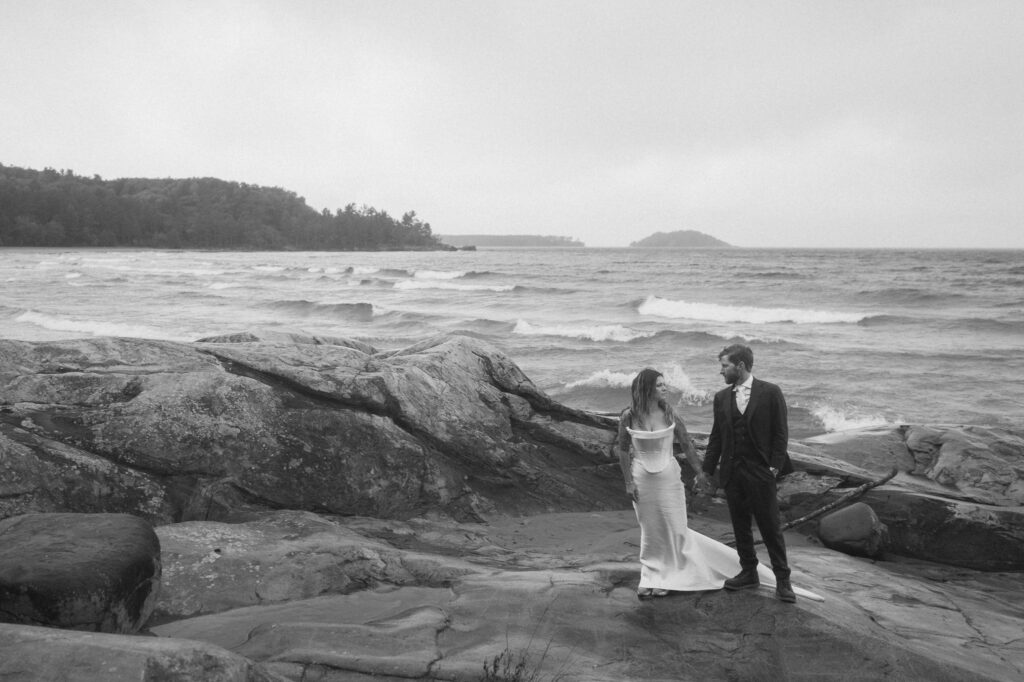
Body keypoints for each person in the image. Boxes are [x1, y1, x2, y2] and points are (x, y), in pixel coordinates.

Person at [614, 367, 811, 601]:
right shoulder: (629, 416)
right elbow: (623, 450)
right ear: (646, 388)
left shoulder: (670, 414)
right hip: (642, 479)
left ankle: (672, 575)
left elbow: (687, 445)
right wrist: (627, 482)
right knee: (651, 529)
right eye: (659, 385)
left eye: (664, 383)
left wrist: (702, 474)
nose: (665, 388)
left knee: (674, 528)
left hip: (669, 478)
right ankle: (652, 575)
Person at [699, 344, 798, 602]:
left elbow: (780, 433)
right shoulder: (721, 398)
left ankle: (783, 581)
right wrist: (706, 471)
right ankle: (748, 572)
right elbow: (716, 437)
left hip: (761, 471)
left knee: (770, 527)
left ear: (740, 366)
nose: (721, 371)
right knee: (740, 525)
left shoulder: (770, 392)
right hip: (733, 472)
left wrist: (774, 467)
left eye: (725, 366)